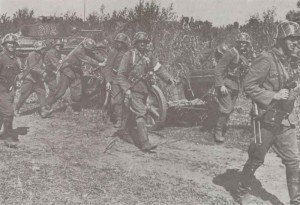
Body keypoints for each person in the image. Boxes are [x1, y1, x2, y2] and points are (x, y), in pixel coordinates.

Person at [237, 21, 300, 204]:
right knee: (256, 158)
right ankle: (241, 191)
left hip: (286, 120)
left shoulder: (292, 61)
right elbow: (248, 86)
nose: (295, 43)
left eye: (297, 39)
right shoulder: (266, 59)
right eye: (291, 39)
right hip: (265, 119)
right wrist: (274, 95)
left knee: (294, 161)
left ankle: (296, 200)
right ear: (280, 40)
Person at [117, 31, 175, 152]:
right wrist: (127, 89)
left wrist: (168, 79)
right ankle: (144, 143)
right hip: (132, 89)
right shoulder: (129, 55)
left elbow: (158, 69)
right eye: (140, 42)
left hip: (145, 90)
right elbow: (121, 75)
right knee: (141, 113)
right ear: (136, 43)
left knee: (130, 112)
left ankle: (124, 131)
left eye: (145, 42)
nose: (143, 44)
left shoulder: (149, 56)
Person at [45, 38, 105, 115]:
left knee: (77, 93)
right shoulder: (79, 50)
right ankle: (47, 105)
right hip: (67, 71)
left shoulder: (86, 49)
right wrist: (99, 64)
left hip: (76, 72)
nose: (90, 50)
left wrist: (103, 60)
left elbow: (93, 54)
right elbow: (87, 59)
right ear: (85, 46)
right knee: (60, 92)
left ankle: (73, 107)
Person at [213, 32, 254, 143]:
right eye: (241, 43)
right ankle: (218, 131)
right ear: (237, 42)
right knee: (226, 108)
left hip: (235, 86)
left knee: (229, 109)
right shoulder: (231, 53)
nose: (243, 45)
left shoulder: (242, 55)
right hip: (226, 85)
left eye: (245, 43)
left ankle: (222, 127)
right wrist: (220, 85)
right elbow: (218, 69)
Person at [14, 40, 50, 118]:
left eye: (44, 48)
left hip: (38, 80)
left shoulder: (42, 55)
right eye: (43, 48)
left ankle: (43, 111)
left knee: (42, 93)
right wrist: (43, 72)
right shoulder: (32, 55)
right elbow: (33, 67)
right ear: (39, 49)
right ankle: (16, 109)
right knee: (24, 96)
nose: (44, 50)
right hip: (29, 79)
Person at [103, 33, 131, 128]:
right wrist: (108, 81)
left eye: (121, 42)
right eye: (117, 42)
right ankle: (118, 119)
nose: (119, 44)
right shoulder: (113, 52)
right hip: (115, 78)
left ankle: (129, 119)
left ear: (124, 43)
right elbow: (108, 67)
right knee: (116, 100)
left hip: (127, 78)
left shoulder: (129, 52)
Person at [0, 33, 22, 143]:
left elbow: (17, 73)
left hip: (11, 89)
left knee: (2, 112)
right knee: (8, 112)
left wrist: (17, 83)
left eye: (13, 43)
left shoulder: (15, 59)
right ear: (4, 45)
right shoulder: (1, 58)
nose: (11, 45)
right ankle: (8, 137)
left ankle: (4, 133)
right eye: (9, 43)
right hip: (1, 89)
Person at [43, 39, 63, 104]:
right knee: (53, 89)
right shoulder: (51, 52)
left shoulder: (57, 52)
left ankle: (47, 103)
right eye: (57, 45)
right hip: (47, 73)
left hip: (51, 73)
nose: (59, 46)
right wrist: (62, 62)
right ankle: (47, 104)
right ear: (54, 45)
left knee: (53, 89)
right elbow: (56, 64)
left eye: (60, 45)